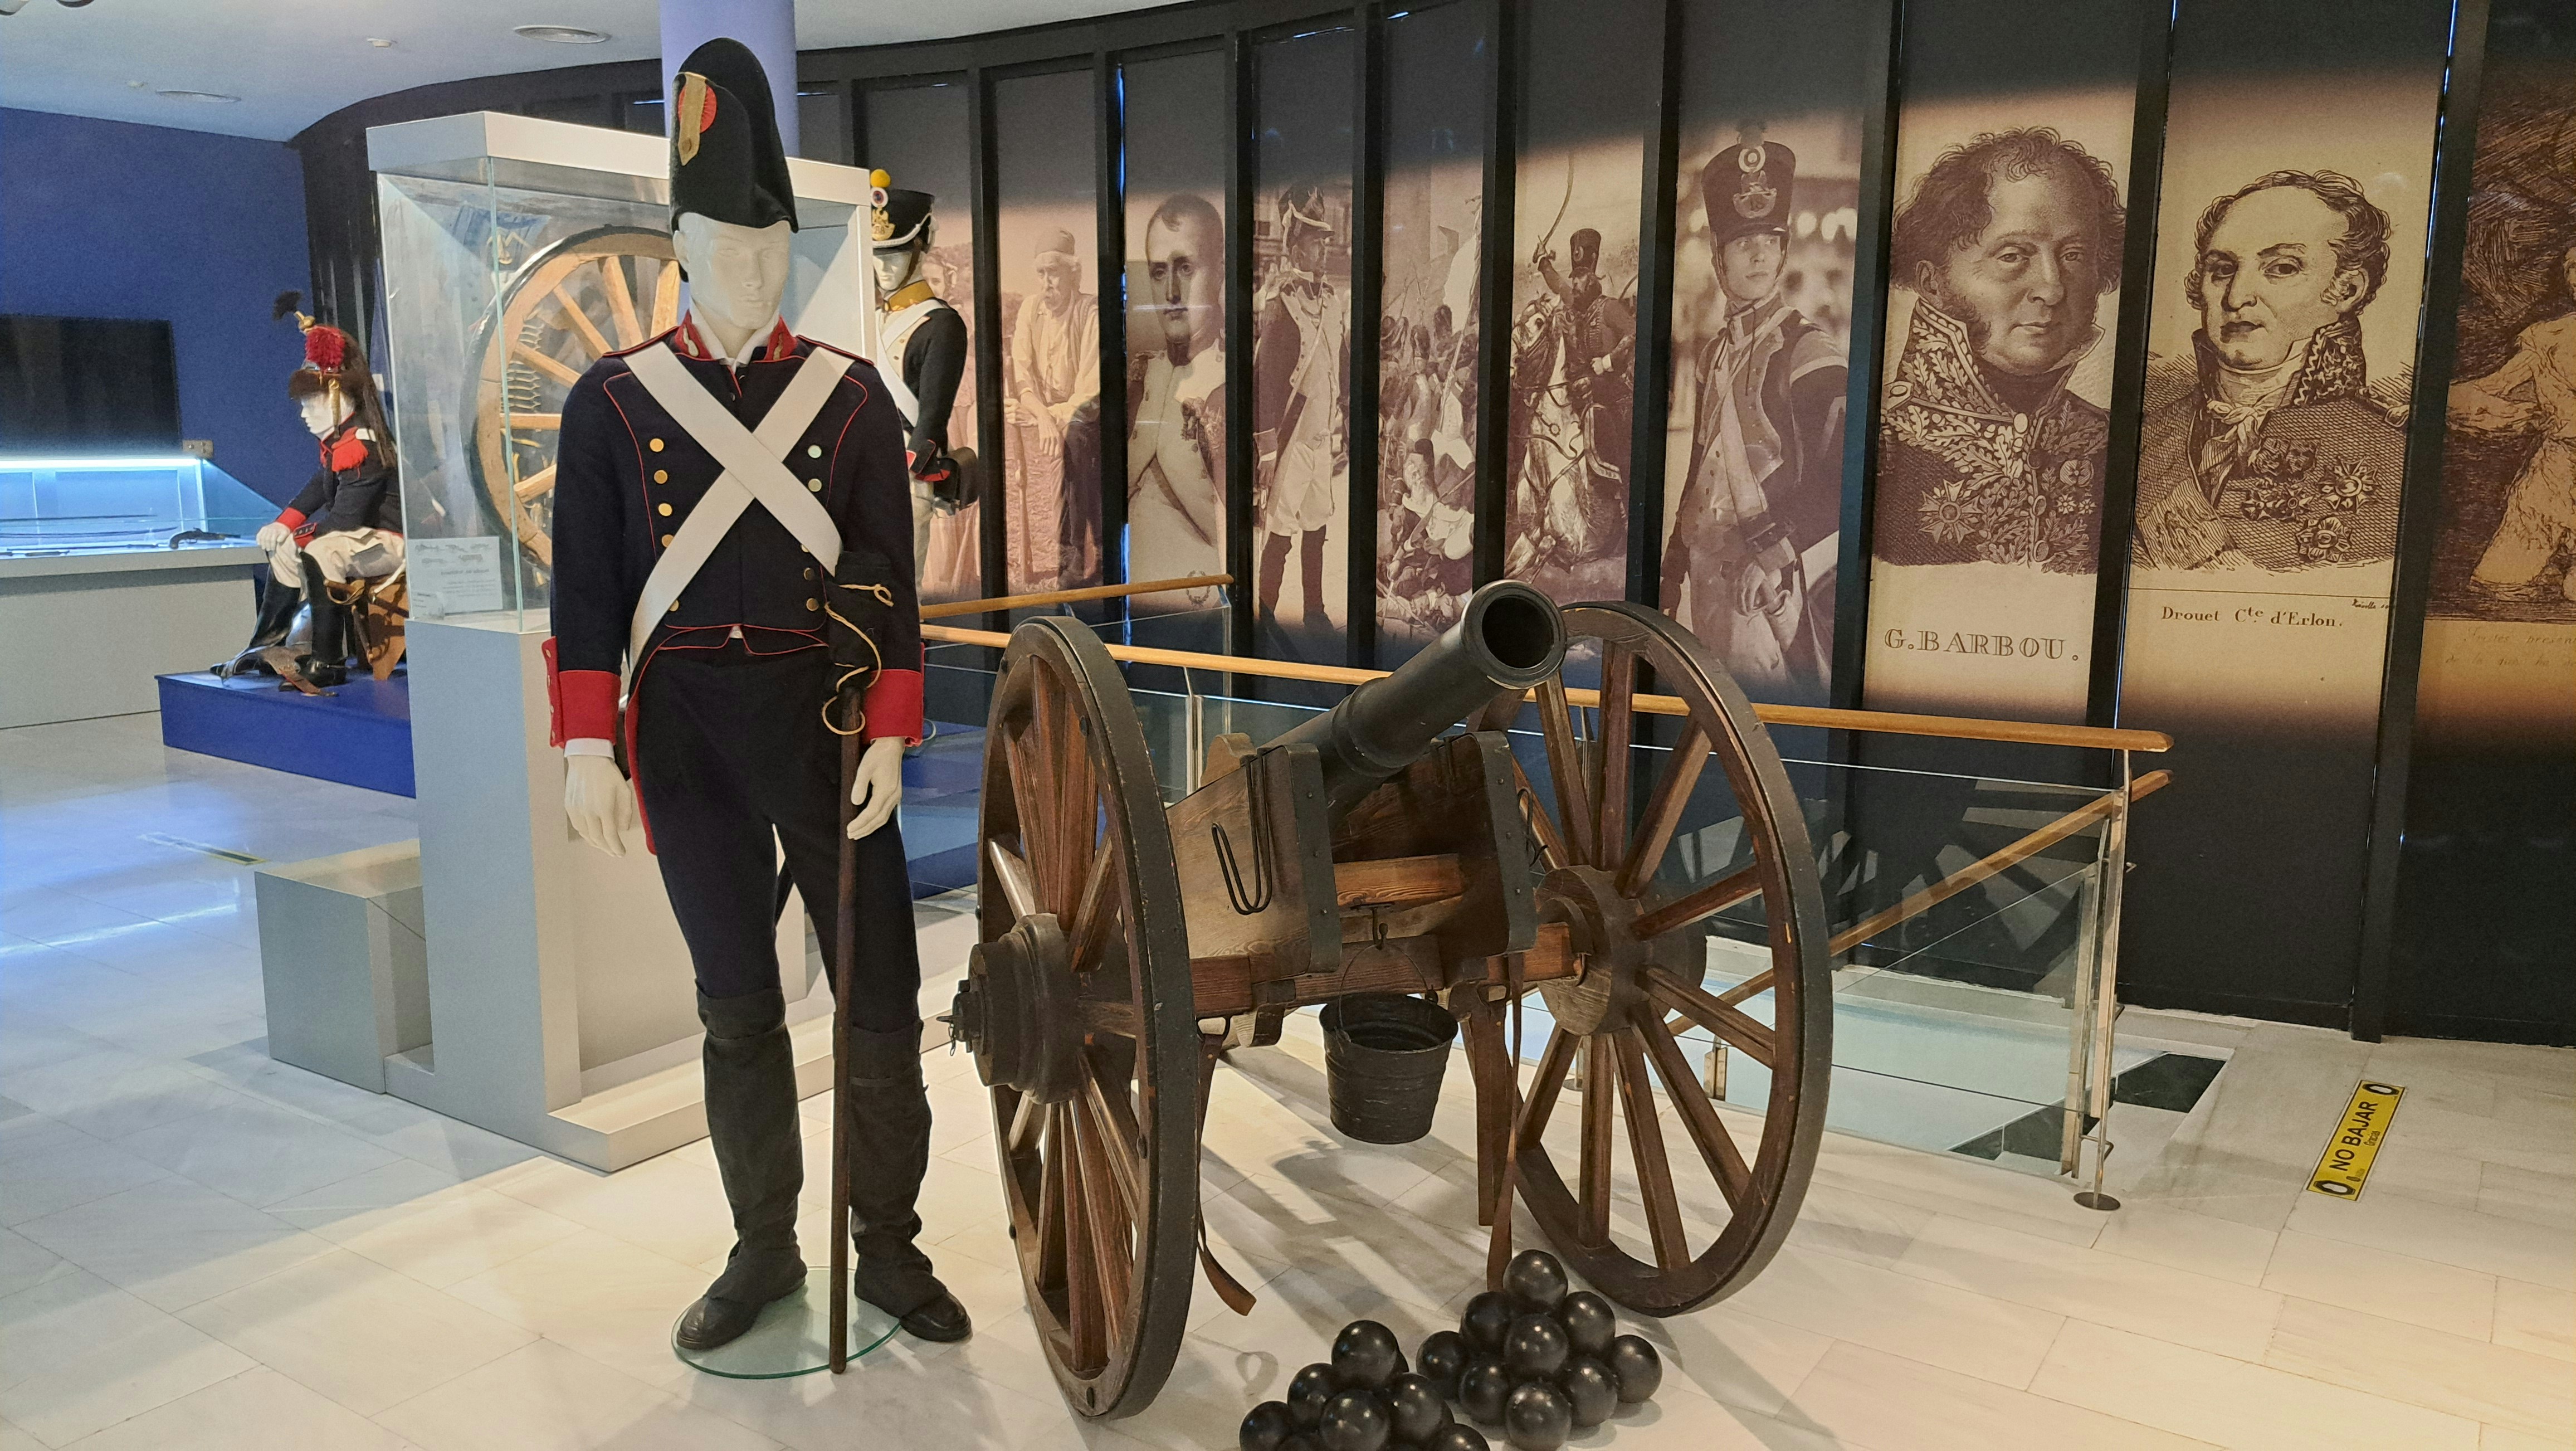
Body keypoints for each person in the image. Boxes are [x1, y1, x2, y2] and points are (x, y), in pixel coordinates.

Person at [544, 38, 967, 1353]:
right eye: (725, 238)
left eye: (770, 238)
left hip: (824, 721)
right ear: (677, 239)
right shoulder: (609, 403)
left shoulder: (846, 396)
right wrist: (582, 749)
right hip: (682, 733)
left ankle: (888, 1247)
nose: (750, 263)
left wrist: (894, 727)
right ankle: (764, 1249)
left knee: (881, 998)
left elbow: (889, 578)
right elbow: (590, 591)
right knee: (735, 1003)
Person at [1876, 128, 2125, 574]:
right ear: (1934, 283)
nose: (2051, 287)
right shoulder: (1883, 447)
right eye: (2013, 256)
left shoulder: (2113, 443)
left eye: (2073, 255)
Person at [2134, 171, 2409, 572]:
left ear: (2347, 290)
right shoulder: (2142, 437)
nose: (2236, 296)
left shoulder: (2391, 451)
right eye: (2223, 269)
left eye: (2281, 268)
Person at [1661, 138, 1846, 699]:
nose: (1760, 256)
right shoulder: (1716, 353)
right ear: (1719, 256)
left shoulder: (1811, 352)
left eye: (1770, 241)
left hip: (1765, 587)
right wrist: (1672, 562)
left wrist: (1776, 554)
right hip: (1705, 572)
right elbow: (1701, 466)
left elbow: (1841, 479)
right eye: (1744, 244)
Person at [222, 298, 404, 686]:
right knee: (287, 548)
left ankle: (328, 659)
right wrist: (284, 525)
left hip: (389, 540)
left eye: (313, 403)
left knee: (323, 550)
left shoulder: (363, 445)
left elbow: (346, 521)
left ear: (340, 397)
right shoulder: (341, 443)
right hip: (360, 538)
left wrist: (297, 533)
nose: (305, 415)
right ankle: (267, 644)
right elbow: (317, 490)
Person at [2450, 240, 2576, 600]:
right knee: (2510, 561)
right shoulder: (2549, 336)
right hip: (2559, 459)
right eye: (2572, 269)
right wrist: (2442, 398)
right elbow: (2498, 383)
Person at [866, 173, 974, 587]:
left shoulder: (940, 324)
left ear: (922, 244)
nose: (883, 267)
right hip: (863, 466)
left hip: (905, 473)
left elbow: (931, 417)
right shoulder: (872, 318)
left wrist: (909, 475)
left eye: (895, 254)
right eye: (877, 255)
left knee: (900, 591)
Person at [1125, 192, 1227, 609]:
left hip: (1203, 606)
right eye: (1159, 271)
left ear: (1220, 272)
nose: (1170, 291)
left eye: (1186, 268)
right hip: (1130, 598)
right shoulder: (1142, 375)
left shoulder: (1239, 383)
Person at [1255, 182, 1349, 639]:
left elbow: (1341, 367)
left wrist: (1350, 418)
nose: (1323, 250)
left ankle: (1314, 609)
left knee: (1318, 524)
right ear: (1294, 248)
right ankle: (1265, 614)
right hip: (1291, 439)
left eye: (1326, 241)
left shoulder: (1332, 303)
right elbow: (1267, 384)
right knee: (1282, 528)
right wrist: (1268, 451)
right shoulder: (1282, 306)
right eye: (1315, 242)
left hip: (1321, 439)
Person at [1007, 229, 1100, 590]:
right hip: (1046, 415)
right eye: (1041, 273)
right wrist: (1041, 415)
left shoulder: (1090, 310)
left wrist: (1050, 417)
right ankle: (1072, 558)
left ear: (1074, 272)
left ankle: (1074, 561)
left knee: (1074, 441)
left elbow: (1090, 390)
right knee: (1064, 440)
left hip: (1088, 413)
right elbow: (1023, 375)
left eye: (1055, 272)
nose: (1047, 282)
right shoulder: (1031, 309)